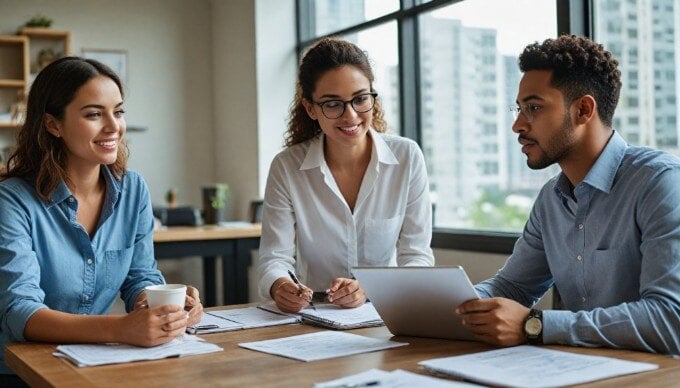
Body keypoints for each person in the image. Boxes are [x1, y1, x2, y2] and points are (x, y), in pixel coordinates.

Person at [456, 35, 680, 354]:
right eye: (518, 109)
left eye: (533, 108)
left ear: (583, 110)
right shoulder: (551, 198)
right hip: (581, 370)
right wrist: (453, 306)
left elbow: (671, 319)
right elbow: (512, 287)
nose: (517, 125)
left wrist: (535, 325)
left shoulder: (660, 182)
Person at [0, 57, 204, 382]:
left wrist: (162, 307)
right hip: (21, 372)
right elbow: (19, 312)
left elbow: (140, 276)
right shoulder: (12, 200)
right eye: (94, 114)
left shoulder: (133, 189)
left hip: (93, 365)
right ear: (53, 124)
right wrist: (123, 328)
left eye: (118, 111)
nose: (114, 126)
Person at [257, 38, 434, 313]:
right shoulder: (287, 167)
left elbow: (418, 258)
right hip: (311, 315)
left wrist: (370, 286)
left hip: (383, 314)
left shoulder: (407, 157)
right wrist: (280, 286)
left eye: (360, 99)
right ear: (311, 108)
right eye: (332, 104)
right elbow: (274, 258)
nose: (350, 115)